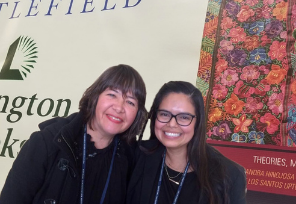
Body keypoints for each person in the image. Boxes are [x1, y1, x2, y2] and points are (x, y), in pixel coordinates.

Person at [0, 64, 147, 204]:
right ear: (95, 97)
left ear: (138, 114)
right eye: (112, 94)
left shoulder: (132, 160)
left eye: (130, 102)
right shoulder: (46, 143)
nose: (119, 107)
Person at [127, 81, 246, 204]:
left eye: (184, 117)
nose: (172, 124)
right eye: (164, 114)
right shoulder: (137, 155)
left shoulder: (229, 175)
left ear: (198, 122)